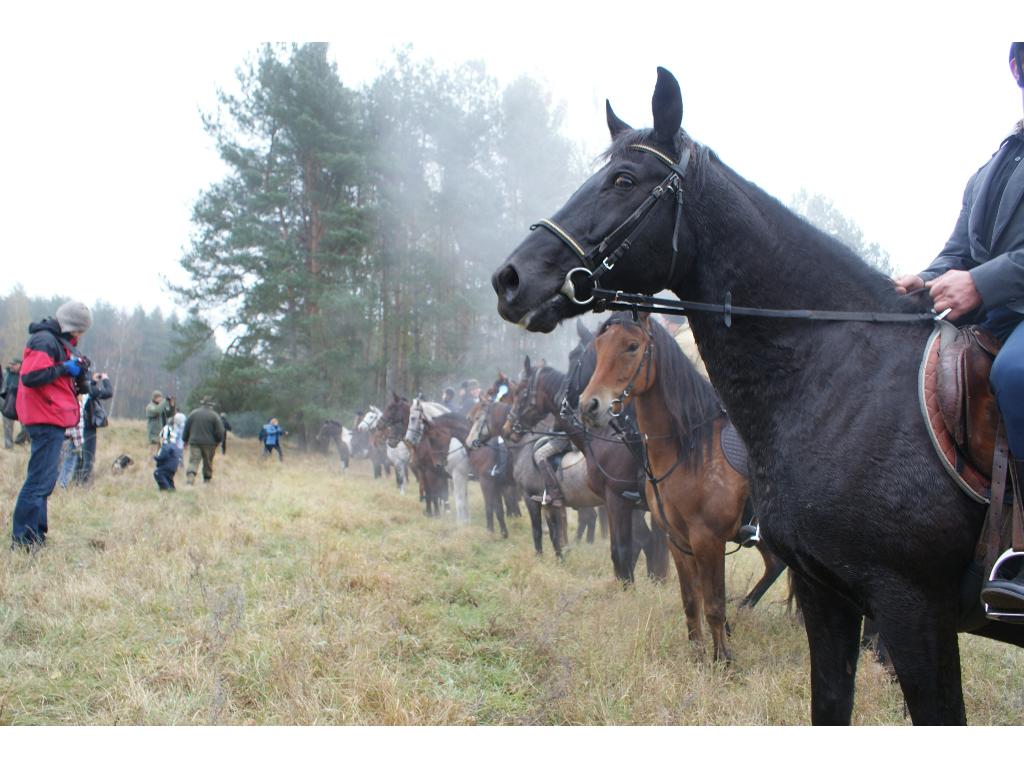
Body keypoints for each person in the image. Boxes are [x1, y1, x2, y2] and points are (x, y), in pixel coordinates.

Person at [895, 43, 1024, 612]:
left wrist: (983, 284)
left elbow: (980, 274)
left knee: (1016, 373)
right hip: (989, 317)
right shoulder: (991, 167)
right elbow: (955, 255)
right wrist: (923, 281)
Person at [11, 300, 92, 549]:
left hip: (51, 416)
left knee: (45, 480)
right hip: (43, 416)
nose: (79, 335)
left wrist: (76, 370)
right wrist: (63, 368)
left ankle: (36, 535)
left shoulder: (59, 342)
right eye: (79, 330)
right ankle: (23, 540)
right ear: (70, 325)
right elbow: (31, 376)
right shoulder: (44, 341)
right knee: (38, 481)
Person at [78, 371, 112, 484]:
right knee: (88, 457)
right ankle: (84, 483)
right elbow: (108, 392)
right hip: (87, 427)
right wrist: (105, 379)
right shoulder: (91, 391)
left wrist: (93, 380)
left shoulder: (76, 388)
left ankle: (75, 481)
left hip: (75, 426)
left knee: (77, 455)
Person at [182, 398, 225, 485]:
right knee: (208, 462)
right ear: (211, 405)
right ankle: (207, 480)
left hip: (194, 442)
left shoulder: (193, 414)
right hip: (209, 443)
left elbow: (186, 427)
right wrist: (218, 441)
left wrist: (185, 440)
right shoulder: (214, 416)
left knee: (193, 461)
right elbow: (220, 431)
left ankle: (190, 479)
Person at [2, 357, 28, 448]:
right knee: (7, 425)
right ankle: (8, 446)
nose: (11, 366)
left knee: (26, 426)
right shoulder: (6, 373)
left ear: (20, 364)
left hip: (22, 403)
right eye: (11, 364)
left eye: (14, 364)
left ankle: (19, 441)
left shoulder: (25, 373)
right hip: (8, 401)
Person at [153, 424, 181, 491]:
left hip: (167, 466)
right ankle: (172, 489)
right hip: (173, 467)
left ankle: (165, 489)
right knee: (169, 478)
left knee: (157, 473)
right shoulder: (174, 445)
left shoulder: (166, 446)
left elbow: (163, 456)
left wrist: (156, 457)